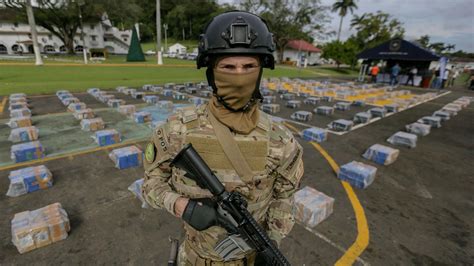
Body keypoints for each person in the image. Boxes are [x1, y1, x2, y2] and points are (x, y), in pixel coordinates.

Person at [142, 11, 304, 265]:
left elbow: (285, 198)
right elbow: (150, 184)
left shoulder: (281, 141)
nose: (239, 76)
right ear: (212, 72)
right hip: (194, 258)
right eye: (228, 67)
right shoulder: (177, 130)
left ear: (260, 72)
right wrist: (181, 205)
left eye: (249, 67)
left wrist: (270, 243)